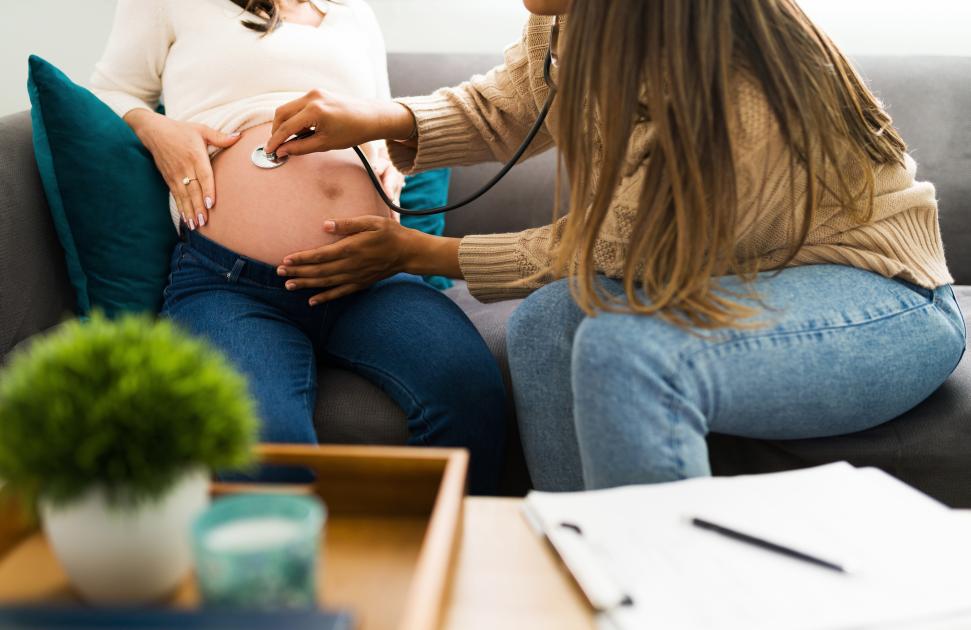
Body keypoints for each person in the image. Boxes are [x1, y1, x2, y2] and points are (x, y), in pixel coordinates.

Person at [263, 0, 967, 491]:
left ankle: (653, 597)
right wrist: (377, 117)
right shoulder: (573, 20)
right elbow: (507, 106)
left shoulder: (724, 74)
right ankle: (586, 571)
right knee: (544, 326)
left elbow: (619, 251)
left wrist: (414, 252)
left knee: (627, 352)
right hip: (746, 278)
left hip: (880, 302)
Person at [90, 0, 507, 493]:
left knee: (472, 394)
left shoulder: (353, 13)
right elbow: (107, 93)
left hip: (370, 277)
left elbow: (383, 122)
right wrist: (157, 128)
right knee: (264, 450)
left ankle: (434, 561)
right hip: (232, 284)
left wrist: (387, 175)